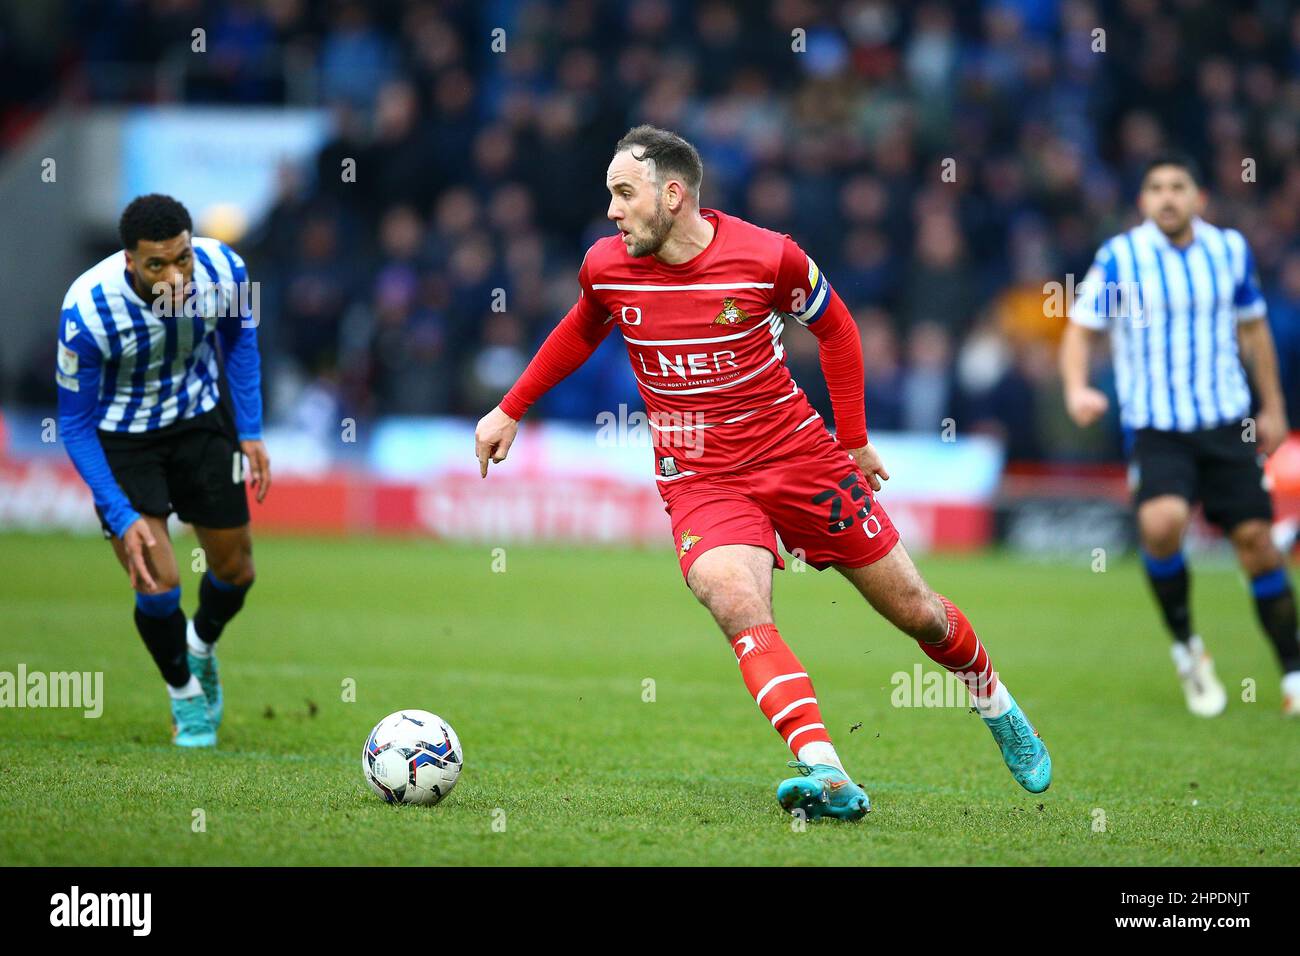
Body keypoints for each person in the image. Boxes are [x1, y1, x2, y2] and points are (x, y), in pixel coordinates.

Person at [476, 126, 1051, 820]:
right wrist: (511, 408)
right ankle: (825, 768)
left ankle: (993, 698)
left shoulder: (768, 257)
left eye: (624, 194)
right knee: (733, 599)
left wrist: (856, 440)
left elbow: (837, 328)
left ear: (673, 194)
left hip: (798, 456)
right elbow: (580, 327)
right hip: (698, 476)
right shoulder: (606, 267)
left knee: (917, 612)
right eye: (610, 196)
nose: (613, 211)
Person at [1061, 153, 1300, 717]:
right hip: (1156, 424)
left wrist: (1273, 405)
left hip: (1224, 420)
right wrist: (1076, 388)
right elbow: (1080, 328)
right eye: (1156, 188)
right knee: (1161, 524)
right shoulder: (1121, 257)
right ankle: (1188, 646)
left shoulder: (1230, 250)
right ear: (1143, 202)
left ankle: (1292, 670)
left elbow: (1254, 328)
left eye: (1178, 186)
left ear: (1199, 198)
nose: (1167, 197)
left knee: (1259, 547)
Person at [56, 194, 270, 747]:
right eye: (158, 265)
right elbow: (74, 427)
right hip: (123, 440)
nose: (175, 276)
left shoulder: (225, 268)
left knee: (237, 570)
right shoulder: (86, 310)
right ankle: (183, 695)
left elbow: (240, 339)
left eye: (182, 259)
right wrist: (120, 513)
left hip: (200, 422)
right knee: (157, 582)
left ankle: (200, 647)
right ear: (130, 261)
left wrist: (249, 429)